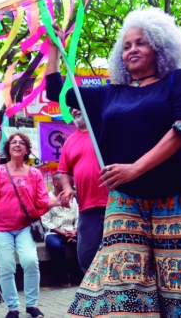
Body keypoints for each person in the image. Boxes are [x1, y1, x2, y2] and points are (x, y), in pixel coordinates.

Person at [46, 8, 181, 317]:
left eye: (141, 43)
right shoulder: (110, 93)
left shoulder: (177, 80)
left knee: (179, 290)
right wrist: (55, 46)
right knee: (123, 285)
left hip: (174, 200)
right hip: (125, 202)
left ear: (160, 47)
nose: (132, 49)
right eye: (127, 45)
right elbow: (56, 90)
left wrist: (135, 168)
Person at [0, 132, 63, 318]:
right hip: (1, 228)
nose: (17, 145)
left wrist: (57, 202)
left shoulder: (34, 173)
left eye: (21, 142)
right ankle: (13, 308)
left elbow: (42, 199)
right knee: (7, 267)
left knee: (31, 262)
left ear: (26, 149)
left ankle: (31, 305)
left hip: (26, 226)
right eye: (13, 142)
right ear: (8, 148)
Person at [53, 106, 108, 273]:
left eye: (78, 105)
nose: (74, 110)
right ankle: (95, 297)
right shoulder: (69, 141)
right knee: (87, 259)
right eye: (71, 108)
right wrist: (68, 187)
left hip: (113, 205)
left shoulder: (104, 130)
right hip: (87, 208)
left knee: (118, 256)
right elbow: (65, 173)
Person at [41, 172, 81, 287]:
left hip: (72, 231)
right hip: (54, 233)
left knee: (85, 243)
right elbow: (45, 221)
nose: (67, 184)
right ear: (55, 183)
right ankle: (64, 278)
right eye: (63, 182)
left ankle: (78, 276)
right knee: (56, 247)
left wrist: (75, 231)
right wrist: (62, 233)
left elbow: (78, 217)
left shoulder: (72, 198)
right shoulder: (47, 199)